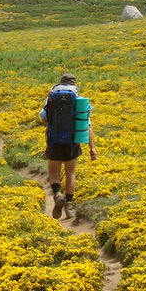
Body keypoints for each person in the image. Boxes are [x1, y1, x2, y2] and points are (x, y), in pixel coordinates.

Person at [39, 73, 97, 219]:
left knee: (54, 173)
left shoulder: (51, 97)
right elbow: (87, 125)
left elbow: (43, 117)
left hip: (54, 141)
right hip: (73, 142)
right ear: (74, 84)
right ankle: (69, 206)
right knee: (70, 173)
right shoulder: (78, 99)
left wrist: (52, 126)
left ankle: (57, 194)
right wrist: (92, 148)